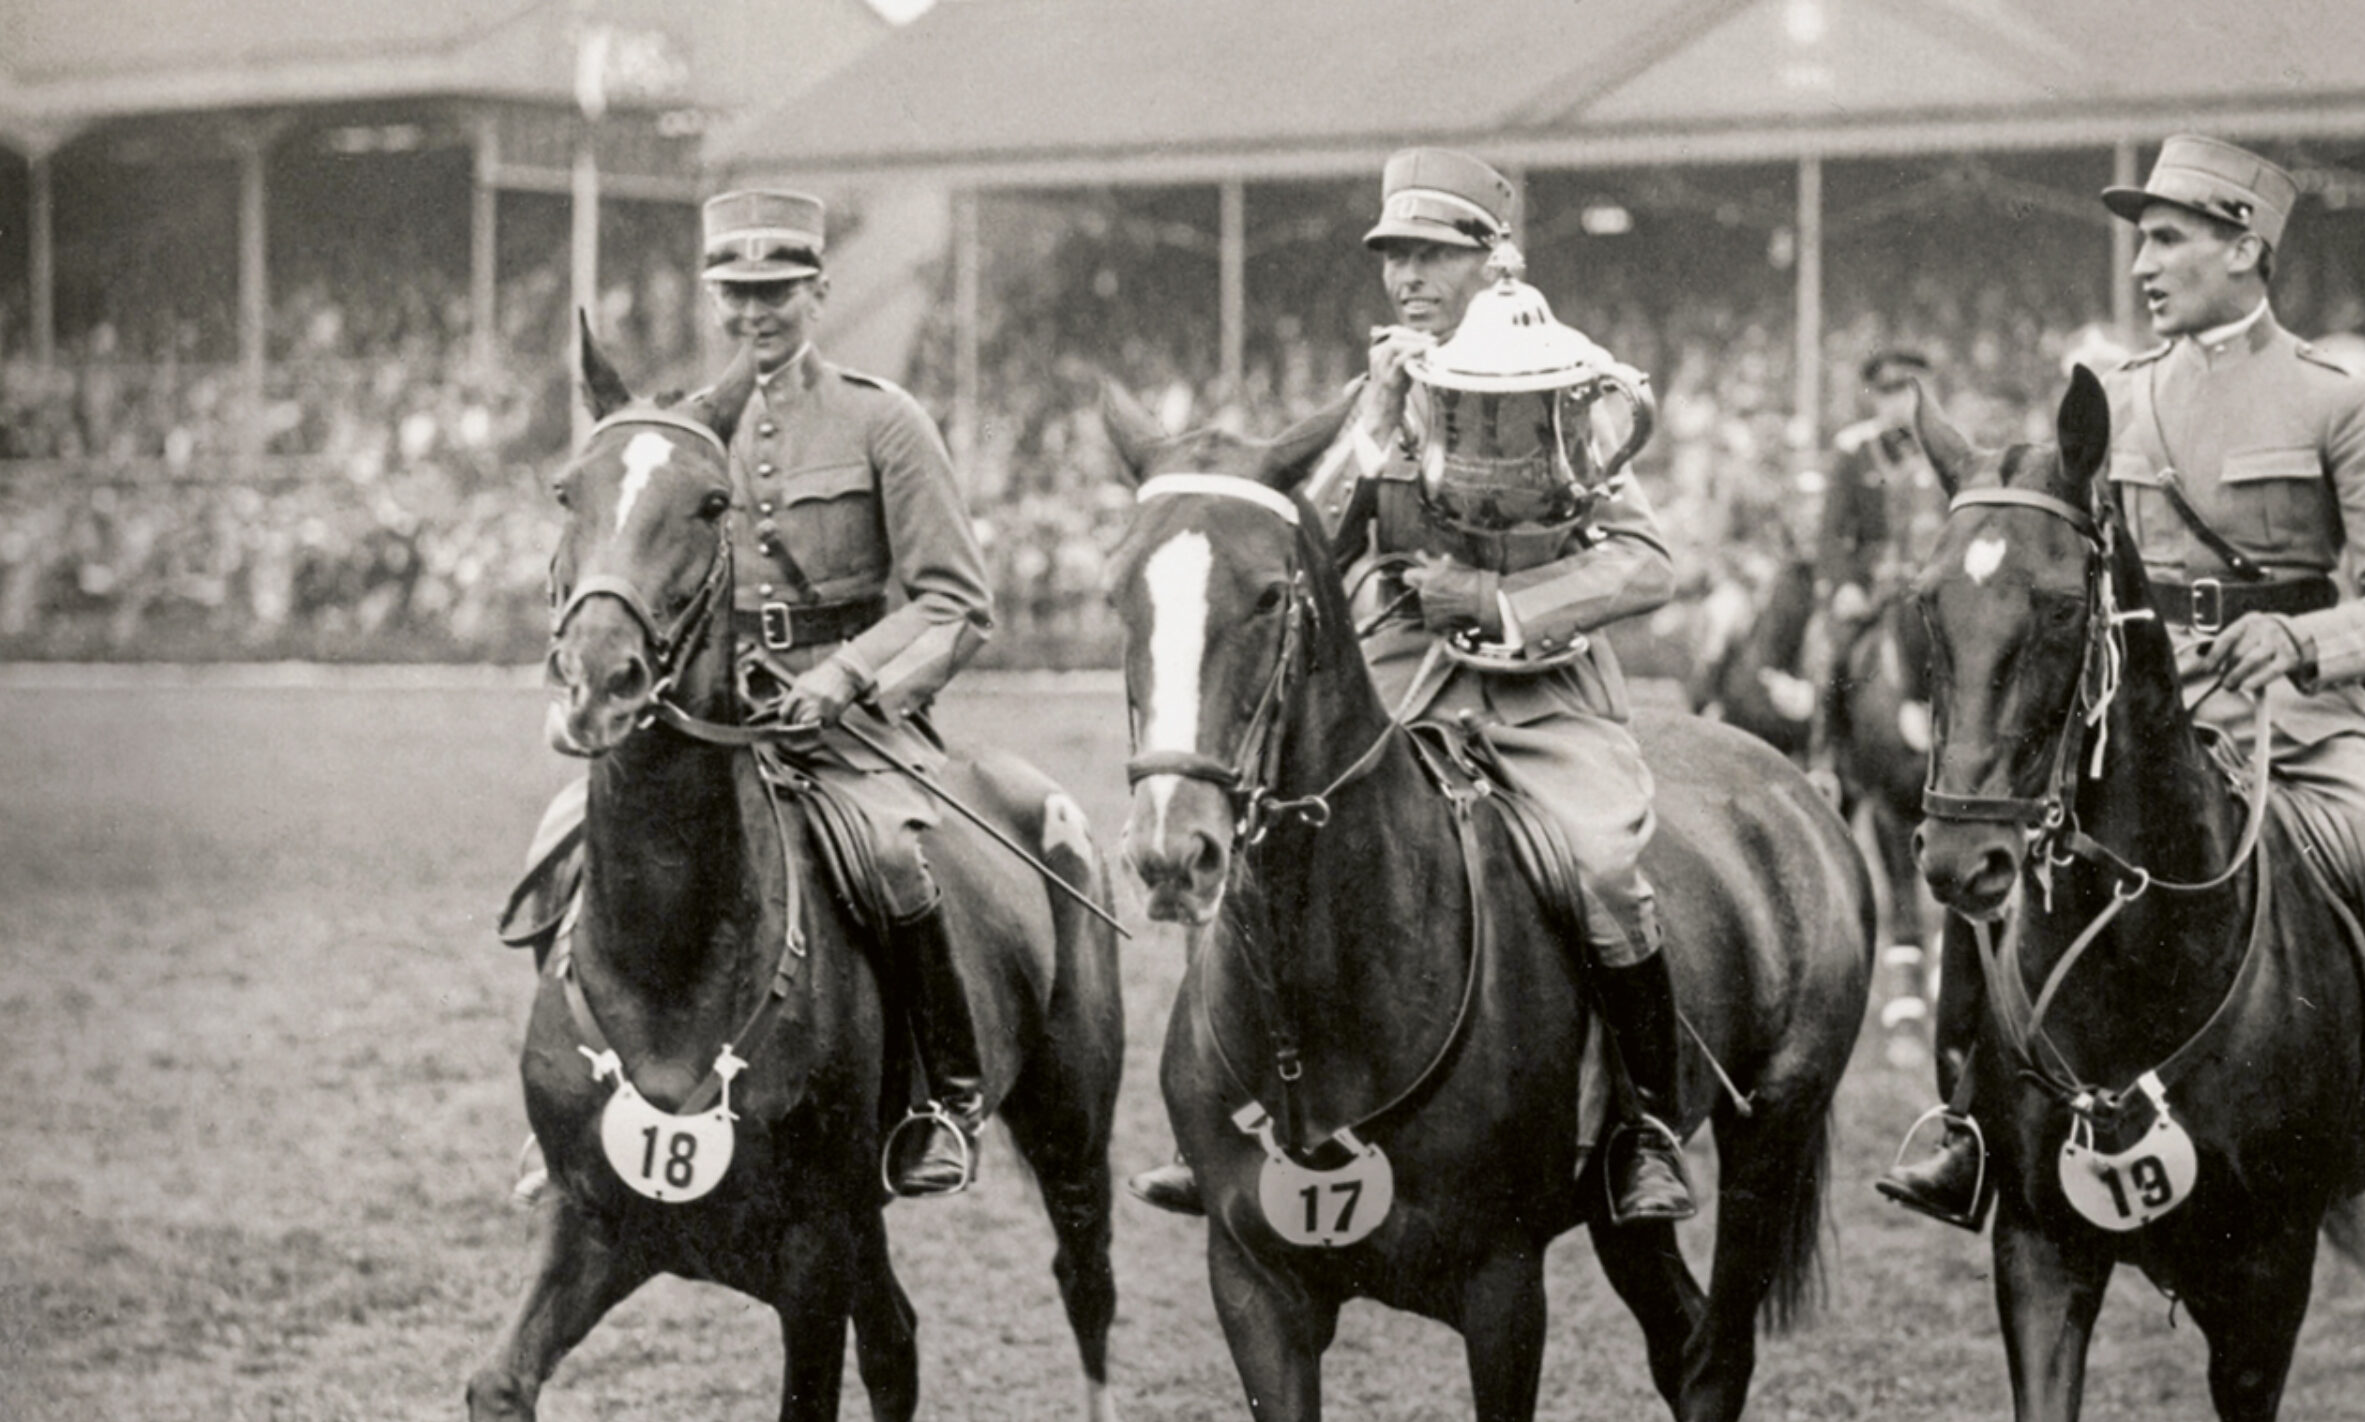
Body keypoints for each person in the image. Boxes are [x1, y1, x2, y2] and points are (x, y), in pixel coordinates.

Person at [1878, 134, 2365, 1235]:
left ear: (2246, 247)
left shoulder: (2335, 400)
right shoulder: (2109, 396)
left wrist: (2305, 645)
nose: (2144, 266)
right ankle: (1966, 1123)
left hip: (2302, 711)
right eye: (2141, 244)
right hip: (2139, 715)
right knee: (2002, 858)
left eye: (2168, 240)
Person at [1127, 147, 1696, 1225]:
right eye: (1394, 255)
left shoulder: (1562, 378)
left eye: (1432, 254)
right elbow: (1302, 552)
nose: (1407, 278)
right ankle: (1226, 1111)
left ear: (1497, 258)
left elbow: (1646, 562)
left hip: (1539, 695)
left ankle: (1645, 1127)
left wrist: (1490, 595)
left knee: (1608, 868)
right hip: (1391, 686)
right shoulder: (1372, 394)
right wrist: (1376, 425)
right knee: (1262, 832)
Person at [510, 188, 999, 1200]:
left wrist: (845, 676)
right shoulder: (678, 435)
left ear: (817, 291)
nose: (755, 312)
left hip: (851, 723)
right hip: (711, 721)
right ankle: (574, 1102)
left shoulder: (882, 419)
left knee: (899, 861)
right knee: (568, 839)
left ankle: (941, 1098)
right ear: (714, 296)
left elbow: (956, 604)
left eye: (776, 289)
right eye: (735, 292)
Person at [1802, 348, 1945, 779]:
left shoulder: (1944, 450)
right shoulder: (1854, 451)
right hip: (1871, 587)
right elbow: (1831, 533)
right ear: (1875, 398)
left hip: (1933, 583)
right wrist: (1843, 585)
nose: (1897, 401)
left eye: (1907, 390)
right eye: (1887, 392)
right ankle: (1825, 762)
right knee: (1834, 656)